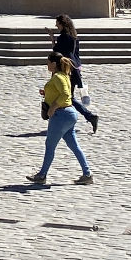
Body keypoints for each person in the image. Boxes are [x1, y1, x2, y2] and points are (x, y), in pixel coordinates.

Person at [27, 52, 94, 186]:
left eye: (48, 62)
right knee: (74, 146)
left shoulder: (58, 76)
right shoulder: (64, 75)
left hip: (60, 115)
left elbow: (65, 94)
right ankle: (87, 174)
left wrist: (53, 107)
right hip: (70, 114)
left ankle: (42, 175)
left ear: (53, 63)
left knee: (50, 145)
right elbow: (62, 92)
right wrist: (46, 93)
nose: (47, 65)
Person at [51, 14, 99, 132]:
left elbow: (56, 53)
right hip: (74, 69)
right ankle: (72, 119)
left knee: (67, 97)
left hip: (66, 70)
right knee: (66, 96)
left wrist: (52, 39)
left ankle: (88, 116)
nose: (56, 25)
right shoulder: (74, 37)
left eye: (57, 23)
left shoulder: (63, 37)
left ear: (62, 24)